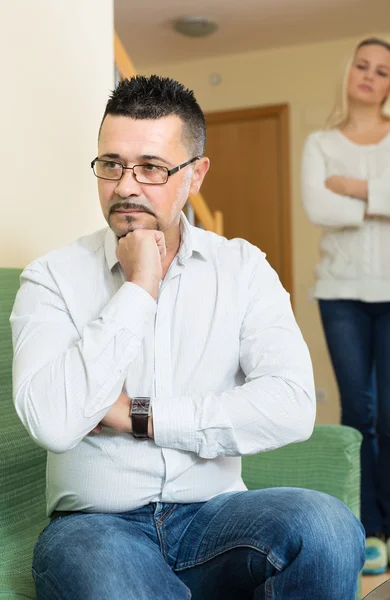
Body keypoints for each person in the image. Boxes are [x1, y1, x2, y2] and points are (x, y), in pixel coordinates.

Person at [10, 75, 364, 600]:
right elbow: (55, 423)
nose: (126, 185)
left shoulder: (242, 267)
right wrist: (139, 288)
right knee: (107, 577)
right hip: (95, 527)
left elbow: (290, 405)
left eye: (151, 167)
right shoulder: (51, 278)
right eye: (111, 165)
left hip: (216, 517)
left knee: (327, 528)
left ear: (195, 175)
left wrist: (142, 416)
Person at [300, 37, 390, 576]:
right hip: (340, 291)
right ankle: (365, 532)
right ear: (350, 72)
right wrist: (387, 194)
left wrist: (352, 187)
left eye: (382, 71)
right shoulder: (319, 142)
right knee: (358, 414)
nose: (369, 76)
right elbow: (318, 204)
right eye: (362, 65)